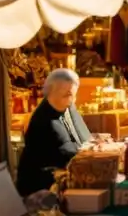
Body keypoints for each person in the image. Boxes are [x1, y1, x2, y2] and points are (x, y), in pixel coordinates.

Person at [16, 68, 92, 196]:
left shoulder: (67, 106)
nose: (72, 98)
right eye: (67, 94)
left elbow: (84, 138)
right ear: (51, 92)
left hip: (65, 176)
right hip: (43, 189)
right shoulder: (45, 120)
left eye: (73, 94)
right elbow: (67, 154)